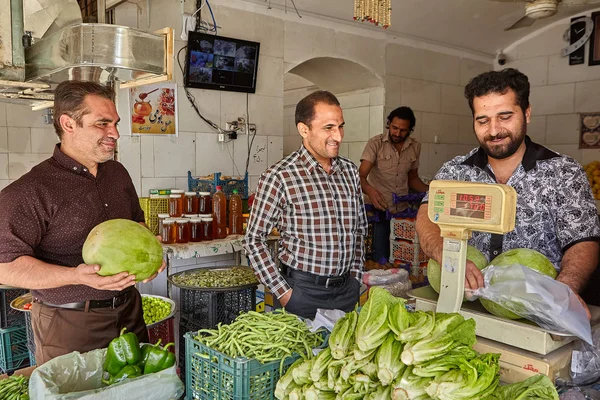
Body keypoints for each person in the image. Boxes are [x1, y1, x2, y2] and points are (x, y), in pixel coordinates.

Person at [0, 80, 165, 364]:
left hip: (129, 312)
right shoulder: (31, 190)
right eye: (102, 124)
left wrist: (151, 253)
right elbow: (5, 268)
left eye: (115, 123)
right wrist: (75, 275)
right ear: (68, 124)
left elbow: (137, 225)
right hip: (69, 322)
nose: (114, 133)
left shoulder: (116, 173)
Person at [416, 68, 600, 313]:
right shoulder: (456, 172)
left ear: (526, 113)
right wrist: (446, 256)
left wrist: (565, 291)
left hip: (537, 310)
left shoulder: (563, 173)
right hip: (466, 309)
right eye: (483, 120)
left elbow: (583, 242)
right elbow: (427, 217)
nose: (493, 130)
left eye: (505, 117)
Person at [243, 90, 368, 319]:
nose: (338, 136)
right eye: (328, 128)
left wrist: (356, 278)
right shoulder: (280, 176)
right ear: (304, 129)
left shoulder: (349, 171)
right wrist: (284, 293)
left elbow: (359, 230)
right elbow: (253, 240)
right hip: (302, 292)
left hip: (346, 291)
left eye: (340, 126)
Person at [359, 106, 429, 265]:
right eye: (394, 128)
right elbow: (360, 176)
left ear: (410, 130)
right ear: (388, 124)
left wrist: (433, 191)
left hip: (401, 212)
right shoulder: (375, 143)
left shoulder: (415, 147)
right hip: (380, 210)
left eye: (403, 130)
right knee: (381, 259)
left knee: (402, 258)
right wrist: (371, 192)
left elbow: (413, 179)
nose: (397, 133)